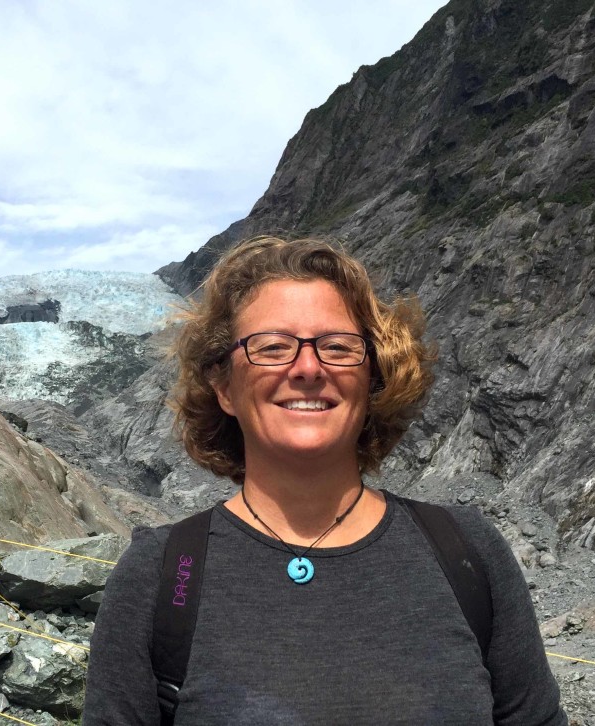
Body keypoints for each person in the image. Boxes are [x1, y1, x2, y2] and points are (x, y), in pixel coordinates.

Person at [84, 236, 567, 724]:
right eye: (272, 347)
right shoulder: (162, 575)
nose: (309, 368)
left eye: (337, 346)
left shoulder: (469, 554)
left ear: (374, 377)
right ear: (224, 386)